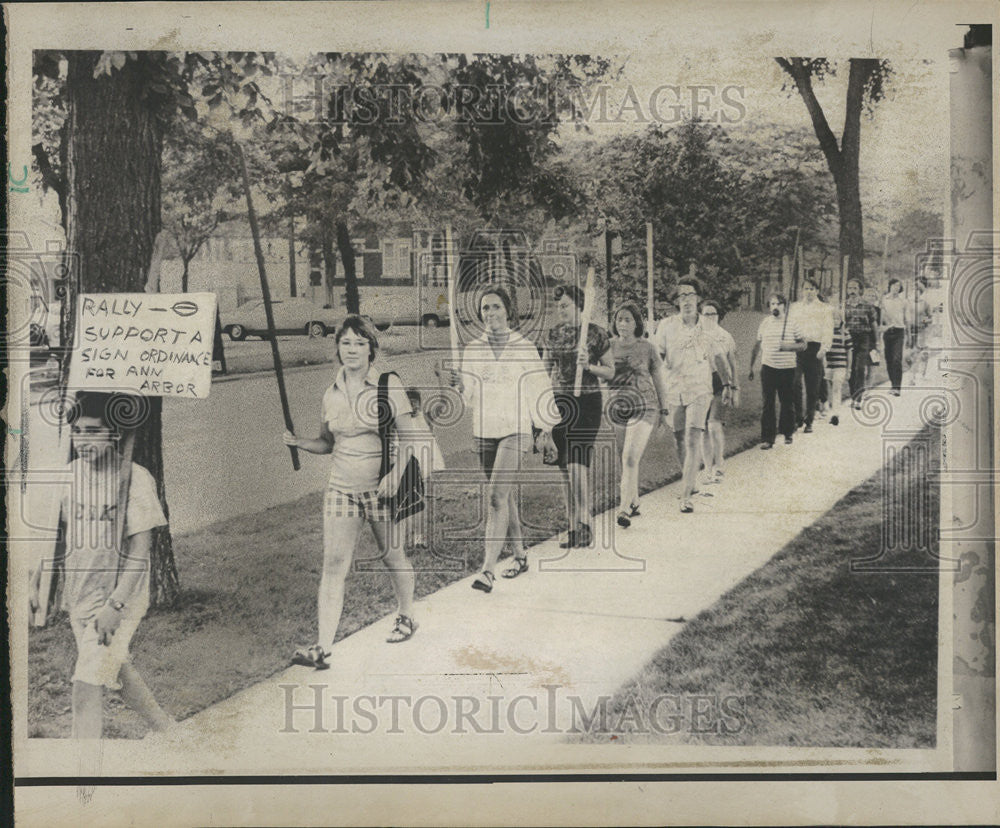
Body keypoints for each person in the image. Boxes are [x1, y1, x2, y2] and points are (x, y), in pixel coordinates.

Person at [282, 315, 428, 668]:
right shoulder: (330, 394)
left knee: (392, 555)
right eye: (345, 343)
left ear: (371, 349)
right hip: (341, 490)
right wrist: (299, 442)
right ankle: (323, 646)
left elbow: (411, 439)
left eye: (359, 343)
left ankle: (406, 615)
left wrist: (395, 473)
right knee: (333, 563)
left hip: (381, 489)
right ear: (337, 349)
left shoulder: (387, 386)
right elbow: (327, 443)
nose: (351, 350)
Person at [28, 391, 175, 738]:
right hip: (80, 596)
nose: (82, 440)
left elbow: (141, 552)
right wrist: (36, 582)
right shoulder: (68, 477)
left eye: (92, 431)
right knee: (116, 669)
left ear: (115, 434)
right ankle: (167, 730)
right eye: (77, 431)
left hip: (117, 599)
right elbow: (55, 537)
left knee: (86, 682)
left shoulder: (135, 480)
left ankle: (83, 776)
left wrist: (115, 605)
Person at [447, 286, 558, 592]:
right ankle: (520, 555)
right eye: (485, 308)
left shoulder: (523, 347)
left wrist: (545, 430)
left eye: (496, 307)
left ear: (508, 310)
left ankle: (487, 571)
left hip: (516, 429)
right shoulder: (473, 350)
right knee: (504, 496)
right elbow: (469, 397)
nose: (490, 313)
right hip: (484, 431)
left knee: (496, 496)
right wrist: (459, 384)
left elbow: (540, 389)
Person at [653, 278, 734, 514]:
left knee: (691, 439)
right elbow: (658, 356)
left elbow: (719, 358)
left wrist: (728, 384)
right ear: (676, 301)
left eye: (690, 295)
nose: (686, 300)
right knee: (679, 439)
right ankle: (691, 479)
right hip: (674, 390)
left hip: (700, 390)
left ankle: (685, 495)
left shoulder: (707, 328)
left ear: (698, 298)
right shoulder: (667, 326)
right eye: (681, 296)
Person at [543, 283, 614, 548]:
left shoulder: (595, 334)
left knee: (577, 462)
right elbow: (544, 371)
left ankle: (586, 523)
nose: (560, 309)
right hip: (560, 401)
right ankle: (572, 525)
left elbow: (610, 371)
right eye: (558, 305)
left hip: (587, 401)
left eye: (565, 305)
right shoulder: (553, 334)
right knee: (564, 466)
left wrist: (589, 366)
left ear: (579, 306)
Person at [606, 300, 669, 528]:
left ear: (636, 323)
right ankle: (634, 501)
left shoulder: (647, 347)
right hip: (617, 406)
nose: (622, 323)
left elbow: (659, 380)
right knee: (625, 458)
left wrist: (665, 410)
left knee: (630, 457)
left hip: (645, 405)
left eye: (627, 319)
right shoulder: (607, 346)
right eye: (619, 319)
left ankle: (623, 509)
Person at [748, 293, 806, 449]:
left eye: (778, 303)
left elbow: (803, 345)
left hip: (787, 369)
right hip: (768, 367)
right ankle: (768, 438)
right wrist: (751, 366)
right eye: (772, 304)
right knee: (768, 403)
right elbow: (757, 345)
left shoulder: (792, 323)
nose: (774, 307)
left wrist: (788, 346)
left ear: (784, 306)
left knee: (787, 402)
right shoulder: (765, 323)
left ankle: (787, 433)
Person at [698, 299, 739, 483]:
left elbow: (732, 364)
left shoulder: (725, 336)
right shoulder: (695, 335)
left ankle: (719, 465)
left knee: (714, 425)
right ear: (700, 316)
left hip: (719, 383)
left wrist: (734, 388)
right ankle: (707, 468)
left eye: (713, 313)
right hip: (699, 384)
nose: (709, 317)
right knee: (702, 429)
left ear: (718, 316)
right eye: (706, 314)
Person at [788, 277, 833, 433]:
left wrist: (824, 348)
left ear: (817, 291)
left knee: (812, 387)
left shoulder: (824, 308)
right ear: (802, 291)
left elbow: (828, 330)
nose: (808, 292)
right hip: (798, 347)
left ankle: (810, 420)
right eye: (806, 288)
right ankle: (798, 418)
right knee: (794, 383)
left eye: (812, 289)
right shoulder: (794, 307)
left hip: (815, 348)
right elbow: (789, 327)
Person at [843, 278, 879, 408]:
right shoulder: (844, 305)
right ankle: (854, 396)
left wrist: (877, 342)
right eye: (850, 288)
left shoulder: (867, 305)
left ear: (860, 290)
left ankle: (858, 399)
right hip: (849, 339)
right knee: (851, 369)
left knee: (860, 368)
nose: (852, 291)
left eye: (854, 288)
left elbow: (874, 325)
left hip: (864, 338)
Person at [879, 278, 909, 396]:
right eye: (894, 285)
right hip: (887, 332)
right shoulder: (884, 300)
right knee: (889, 359)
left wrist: (909, 335)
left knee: (897, 359)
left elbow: (907, 320)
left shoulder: (903, 302)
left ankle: (897, 387)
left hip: (899, 331)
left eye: (898, 286)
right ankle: (893, 384)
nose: (896, 288)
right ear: (890, 286)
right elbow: (881, 317)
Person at [824, 306, 852, 426]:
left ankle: (836, 414)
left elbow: (849, 352)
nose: (835, 321)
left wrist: (849, 368)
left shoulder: (845, 334)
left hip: (840, 366)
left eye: (837, 319)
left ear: (841, 320)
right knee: (828, 389)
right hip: (828, 365)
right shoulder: (826, 333)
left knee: (836, 388)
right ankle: (827, 409)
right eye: (833, 319)